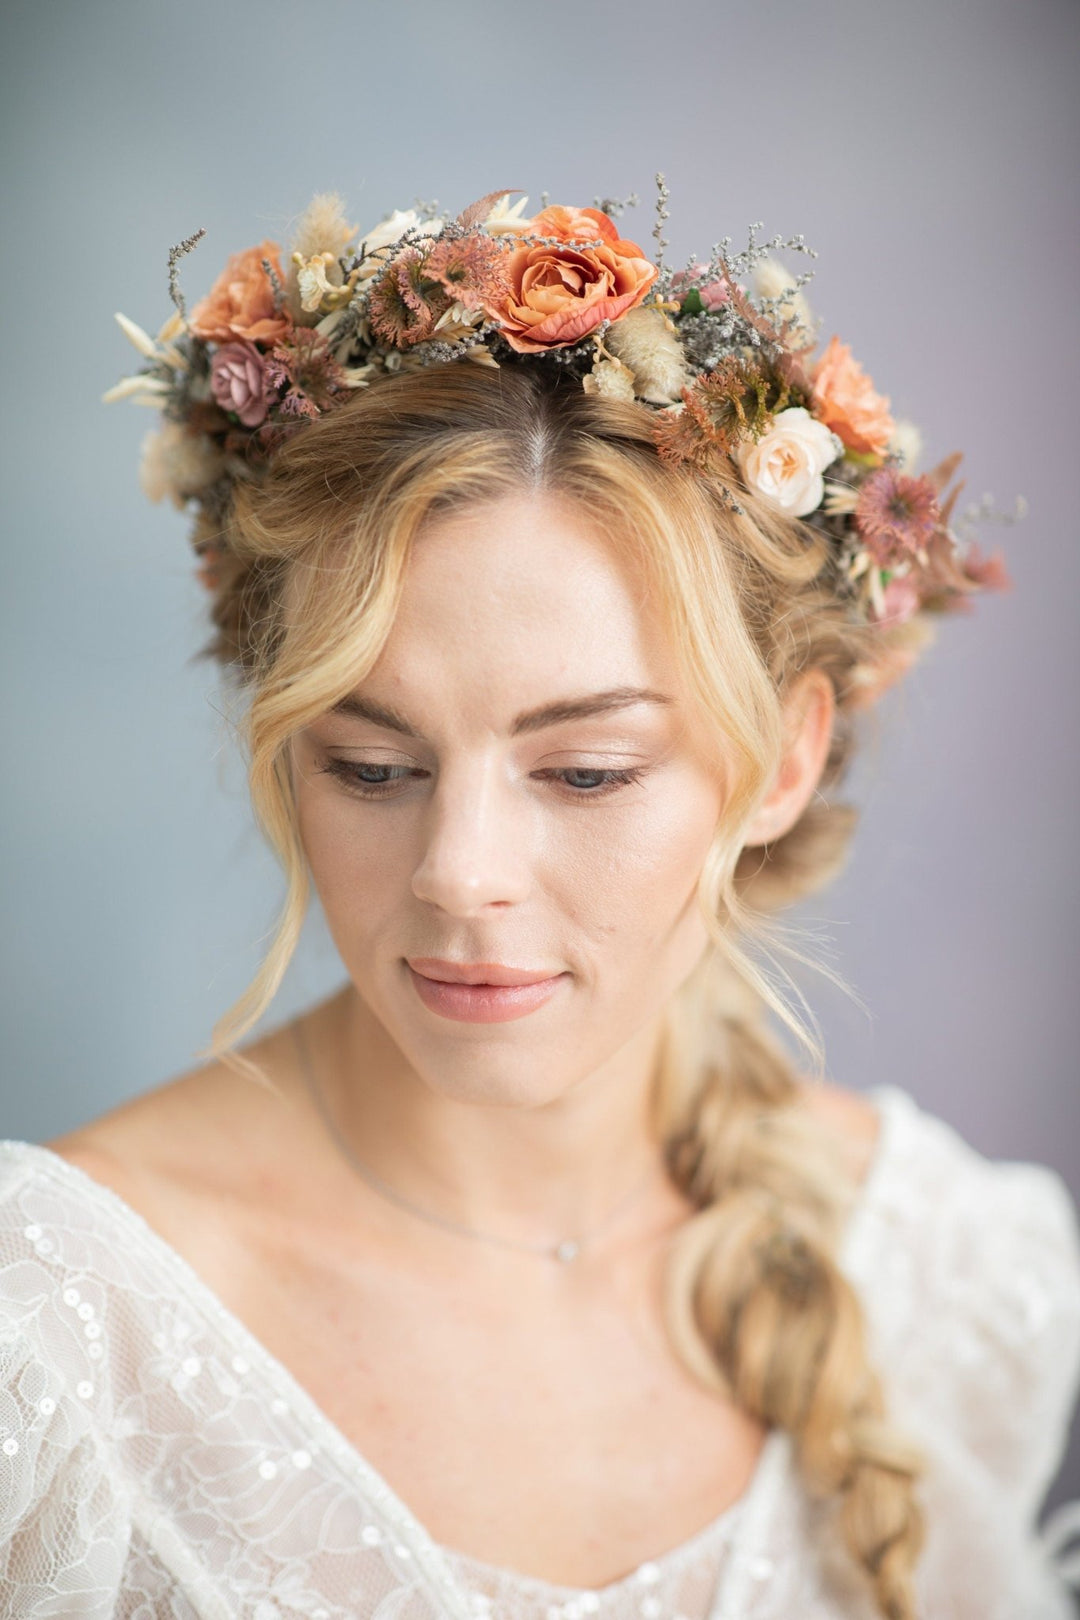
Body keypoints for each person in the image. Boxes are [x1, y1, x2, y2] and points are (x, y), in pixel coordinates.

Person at [1, 188, 1078, 1620]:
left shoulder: (952, 1273)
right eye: (372, 765)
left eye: (584, 772)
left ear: (785, 759)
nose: (458, 873)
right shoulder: (57, 1331)